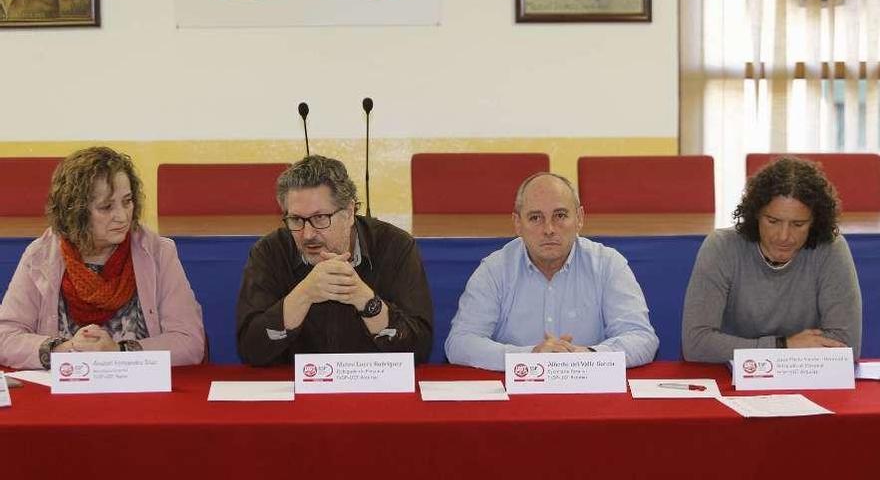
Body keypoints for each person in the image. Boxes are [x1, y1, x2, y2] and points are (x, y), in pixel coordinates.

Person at [0, 147, 205, 369]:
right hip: (65, 392)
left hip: (138, 394)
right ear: (76, 212)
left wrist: (119, 352)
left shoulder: (158, 253)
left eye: (127, 201)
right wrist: (66, 349)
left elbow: (190, 342)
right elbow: (5, 337)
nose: (122, 216)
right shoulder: (41, 255)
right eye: (106, 207)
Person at [444, 172, 659, 371]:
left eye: (560, 215)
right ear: (517, 224)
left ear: (580, 218)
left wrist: (589, 356)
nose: (548, 229)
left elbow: (642, 337)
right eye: (535, 218)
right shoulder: (495, 269)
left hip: (589, 392)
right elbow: (460, 343)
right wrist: (530, 356)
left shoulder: (608, 264)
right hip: (515, 399)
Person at [236, 155, 433, 366]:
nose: (307, 234)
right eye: (295, 219)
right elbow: (250, 350)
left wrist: (365, 300)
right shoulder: (270, 252)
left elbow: (418, 350)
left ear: (349, 213)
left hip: (372, 387)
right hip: (296, 388)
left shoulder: (395, 247)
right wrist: (304, 295)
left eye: (320, 218)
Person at [682, 157, 862, 363]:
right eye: (773, 221)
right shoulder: (722, 247)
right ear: (755, 214)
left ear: (815, 222)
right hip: (729, 379)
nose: (783, 236)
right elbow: (695, 344)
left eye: (798, 224)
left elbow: (846, 347)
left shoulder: (831, 249)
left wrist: (755, 349)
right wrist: (783, 346)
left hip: (804, 378)